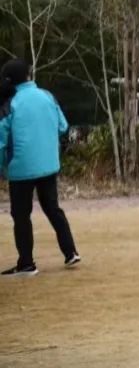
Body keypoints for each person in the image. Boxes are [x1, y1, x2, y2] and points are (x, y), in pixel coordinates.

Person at [0, 58, 80, 276]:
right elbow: (63, 126)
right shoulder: (47, 96)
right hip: (48, 165)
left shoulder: (9, 104)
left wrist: (2, 167)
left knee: (21, 215)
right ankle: (70, 252)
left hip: (21, 168)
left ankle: (26, 263)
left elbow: (1, 140)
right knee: (53, 208)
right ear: (28, 75)